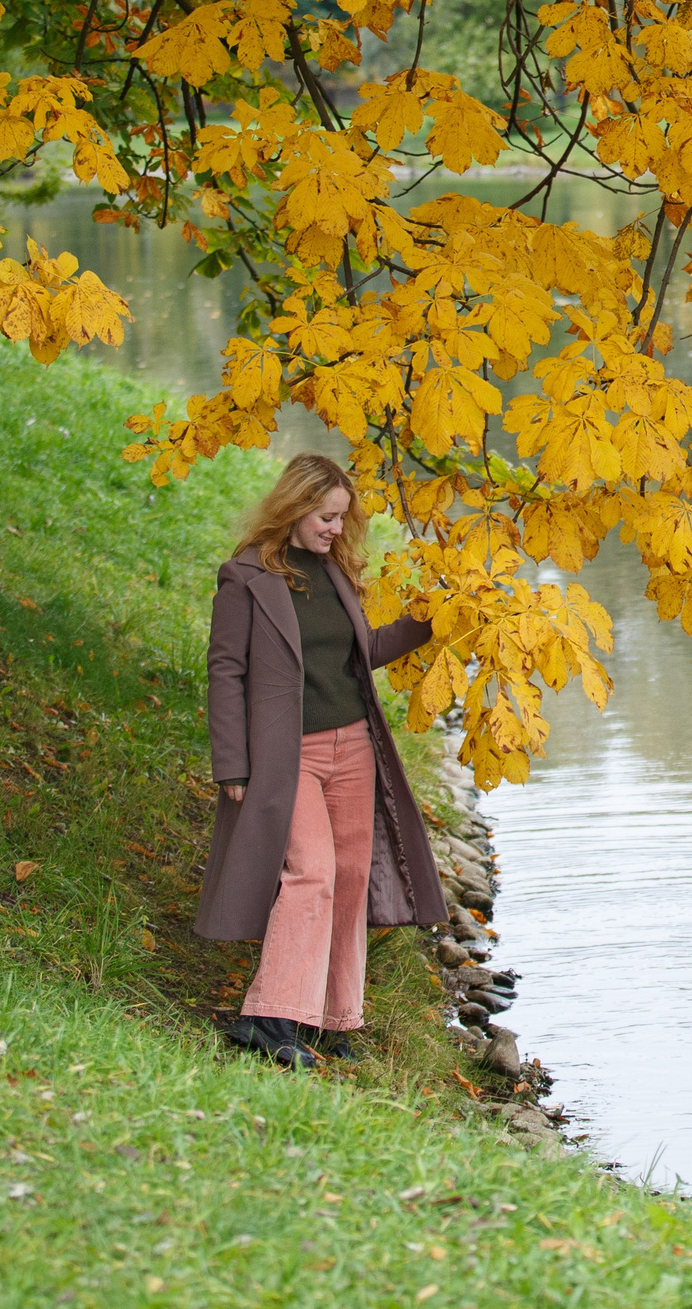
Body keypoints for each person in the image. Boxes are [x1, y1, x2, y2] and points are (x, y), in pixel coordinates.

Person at [194, 452, 446, 1067]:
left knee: (352, 875)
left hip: (354, 745)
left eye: (342, 518)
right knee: (312, 874)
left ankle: (333, 1020)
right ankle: (270, 1017)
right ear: (297, 507)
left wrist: (433, 619)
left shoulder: (336, 574)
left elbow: (362, 652)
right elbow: (225, 672)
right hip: (289, 756)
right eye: (327, 517)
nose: (336, 529)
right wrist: (232, 763)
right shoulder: (245, 577)